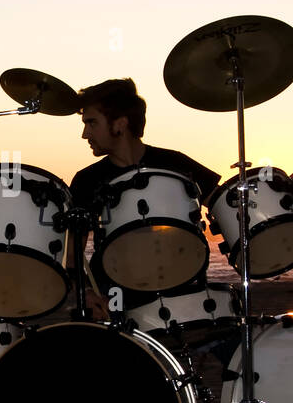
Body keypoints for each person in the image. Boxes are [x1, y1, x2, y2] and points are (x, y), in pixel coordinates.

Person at [67, 78, 220, 319]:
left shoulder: (175, 163)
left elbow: (224, 202)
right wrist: (86, 292)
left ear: (120, 124)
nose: (84, 133)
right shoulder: (87, 180)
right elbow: (71, 250)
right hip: (114, 293)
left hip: (180, 281)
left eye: (91, 123)